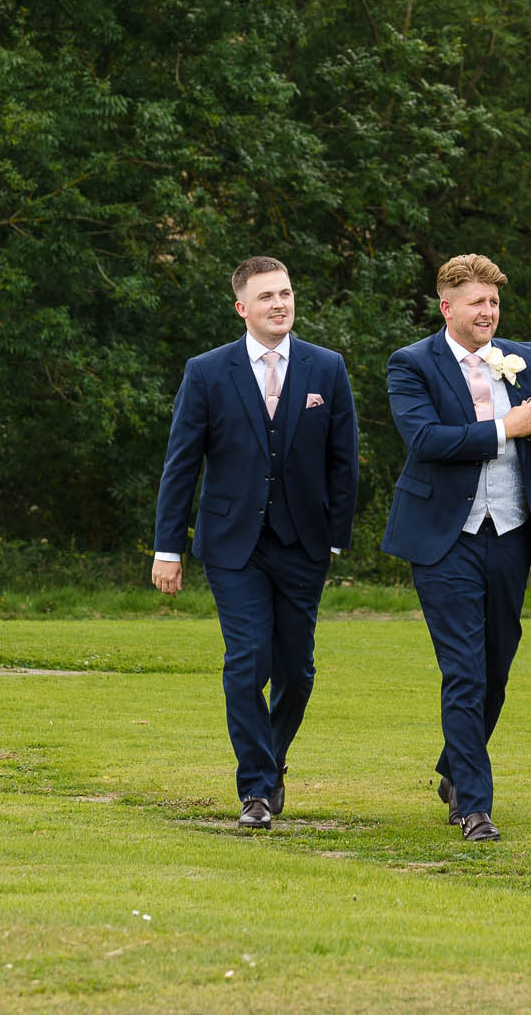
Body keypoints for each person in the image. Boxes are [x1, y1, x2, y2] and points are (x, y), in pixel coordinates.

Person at [381, 254, 531, 842]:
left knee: (497, 664)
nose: (489, 312)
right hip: (443, 536)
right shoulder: (411, 364)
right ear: (448, 307)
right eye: (477, 302)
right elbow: (425, 440)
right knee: (464, 670)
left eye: (494, 302)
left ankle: (453, 767)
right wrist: (505, 429)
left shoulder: (526, 360)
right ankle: (474, 807)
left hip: (511, 532)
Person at [152, 257, 360, 830]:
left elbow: (344, 461)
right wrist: (167, 548)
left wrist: (336, 540)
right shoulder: (207, 371)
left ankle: (270, 758)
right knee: (247, 663)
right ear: (242, 307)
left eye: (286, 293)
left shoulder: (327, 368)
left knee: (297, 670)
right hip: (230, 544)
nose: (279, 304)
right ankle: (256, 789)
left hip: (304, 544)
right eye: (266, 296)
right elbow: (181, 465)